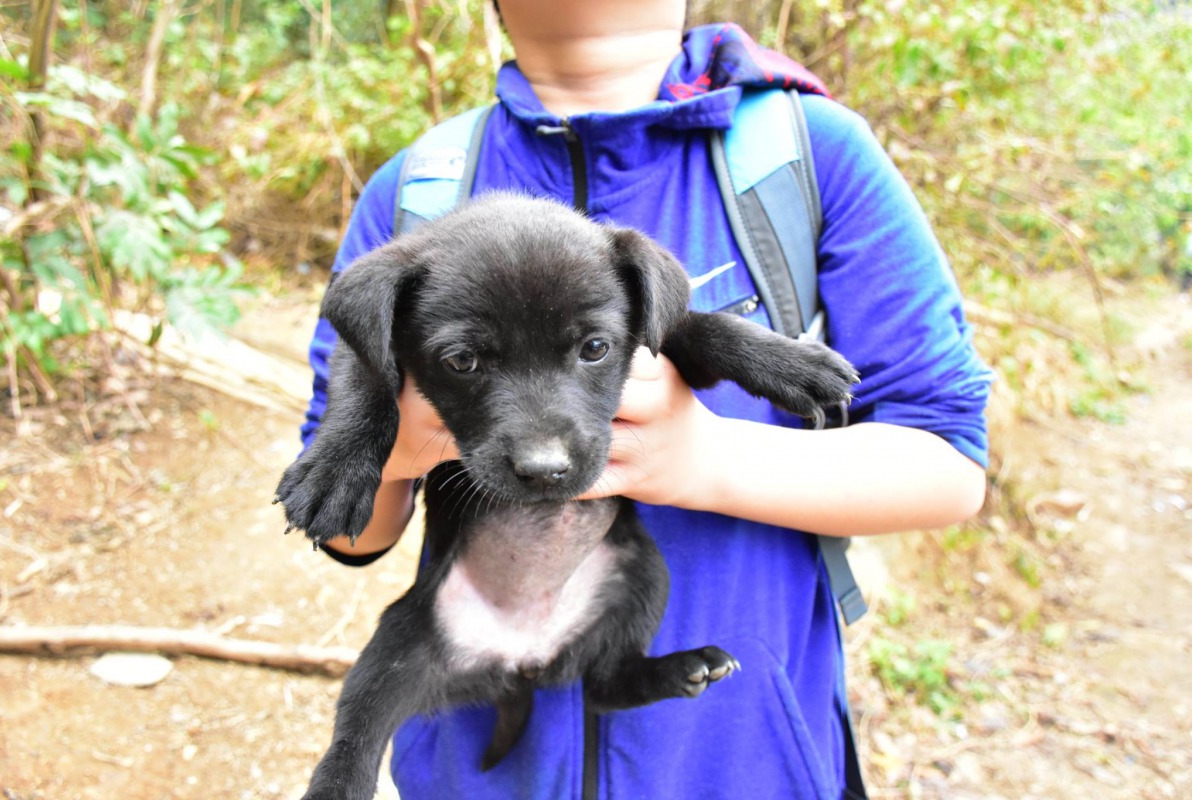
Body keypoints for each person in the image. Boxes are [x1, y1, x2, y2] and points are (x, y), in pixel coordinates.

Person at [296, 1, 992, 797]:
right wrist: (392, 443)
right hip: (471, 762)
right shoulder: (415, 191)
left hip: (738, 761)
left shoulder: (805, 152)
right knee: (400, 647)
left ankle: (621, 674)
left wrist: (703, 457)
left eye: (592, 345)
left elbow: (950, 460)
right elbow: (349, 528)